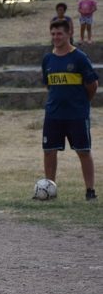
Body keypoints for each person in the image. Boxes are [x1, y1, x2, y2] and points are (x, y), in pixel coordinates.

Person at [40, 19, 98, 200]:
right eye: (53, 34)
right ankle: (49, 190)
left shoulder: (79, 57)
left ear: (69, 34)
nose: (56, 37)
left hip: (76, 115)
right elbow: (49, 86)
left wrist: (82, 103)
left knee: (83, 151)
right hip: (53, 114)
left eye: (60, 34)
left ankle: (90, 191)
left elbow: (93, 85)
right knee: (49, 151)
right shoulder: (47, 59)